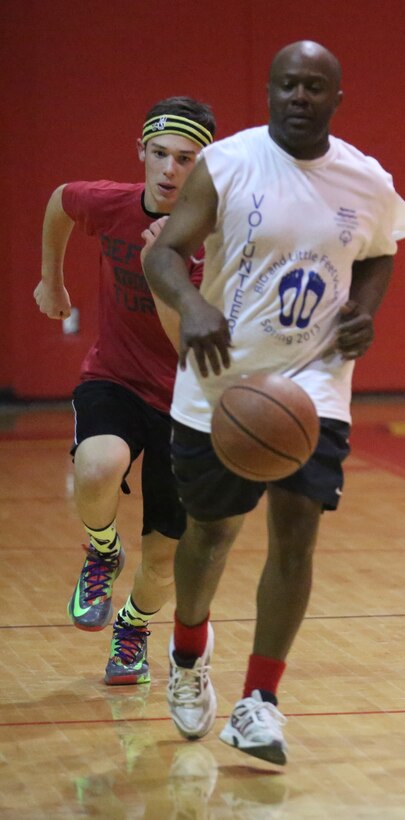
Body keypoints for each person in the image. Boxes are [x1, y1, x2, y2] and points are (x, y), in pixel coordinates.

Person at [141, 41, 405, 765]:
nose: (299, 96)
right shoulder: (228, 164)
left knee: (297, 533)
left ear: (336, 98)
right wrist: (192, 307)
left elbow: (383, 249)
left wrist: (364, 307)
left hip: (314, 384)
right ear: (269, 91)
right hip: (221, 386)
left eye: (314, 86)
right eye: (288, 84)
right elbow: (163, 253)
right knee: (210, 535)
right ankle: (188, 651)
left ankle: (260, 701)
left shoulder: (365, 178)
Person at [33, 96, 216, 686]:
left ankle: (133, 626)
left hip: (187, 402)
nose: (168, 170)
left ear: (205, 168)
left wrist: (156, 267)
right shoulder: (110, 204)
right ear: (140, 152)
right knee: (96, 466)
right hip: (115, 376)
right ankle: (102, 550)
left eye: (185, 159)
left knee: (163, 561)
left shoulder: (214, 240)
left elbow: (188, 341)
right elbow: (61, 200)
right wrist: (51, 278)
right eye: (159, 154)